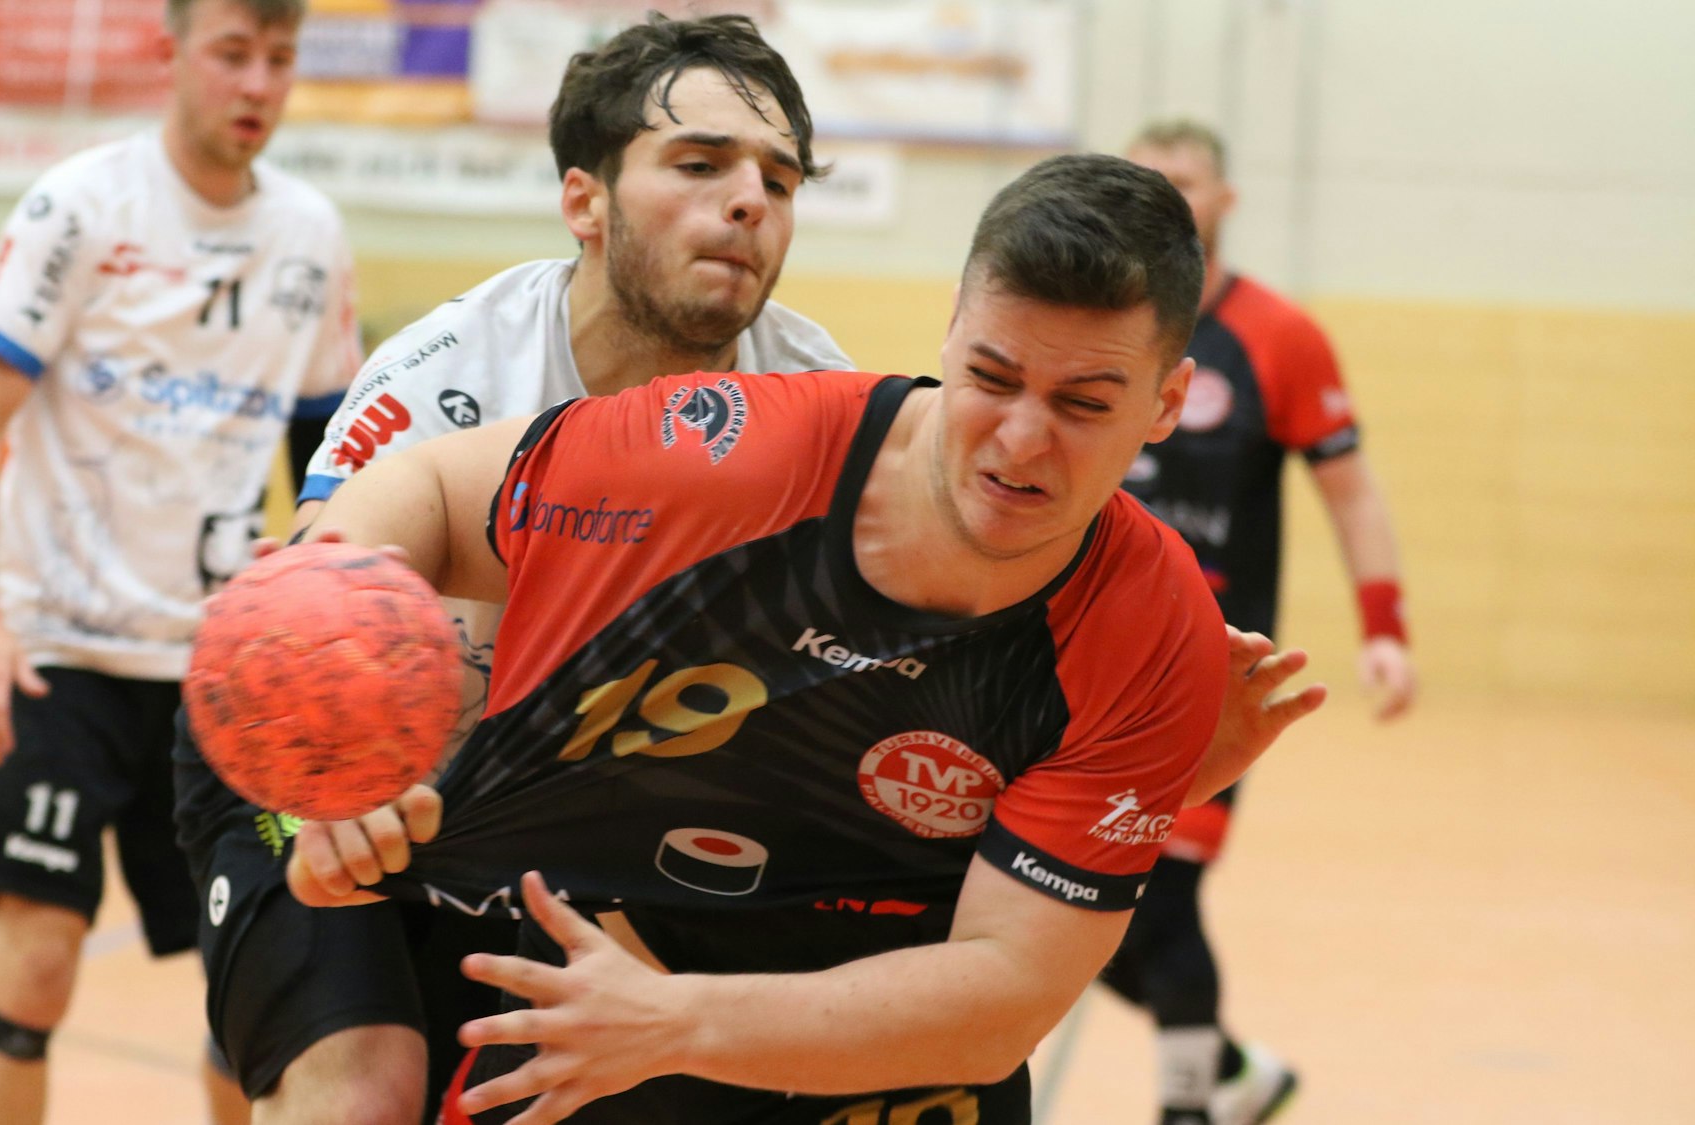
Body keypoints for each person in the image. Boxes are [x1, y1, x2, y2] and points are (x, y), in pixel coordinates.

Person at [283, 152, 1325, 1125]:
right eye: (992, 378)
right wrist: (341, 733)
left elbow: (1002, 995)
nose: (1019, 439)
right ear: (951, 332)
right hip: (605, 996)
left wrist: (679, 1021)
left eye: (1082, 404)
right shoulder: (730, 461)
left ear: (1166, 404)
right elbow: (413, 489)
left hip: (880, 1056)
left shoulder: (1150, 632)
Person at [169, 12, 851, 1124]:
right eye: (697, 164)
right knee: (367, 1095)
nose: (747, 202)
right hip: (316, 756)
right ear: (583, 201)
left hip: (551, 809)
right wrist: (330, 788)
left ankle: (260, 1026)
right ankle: (283, 1016)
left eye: (779, 180)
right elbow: (296, 620)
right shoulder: (450, 373)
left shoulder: (817, 405)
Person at [0, 0, 359, 1119]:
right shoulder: (79, 206)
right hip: (60, 658)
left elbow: (329, 459)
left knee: (254, 994)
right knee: (34, 967)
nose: (256, 82)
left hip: (227, 675)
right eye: (231, 53)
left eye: (278, 58)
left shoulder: (310, 234)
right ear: (171, 56)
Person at [1108, 118, 1418, 1125]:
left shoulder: (1277, 336)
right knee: (1055, 903)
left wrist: (1384, 627)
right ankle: (1234, 1075)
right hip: (1076, 660)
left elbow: (1351, 493)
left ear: (1222, 199)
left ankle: (1189, 1107)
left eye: (1183, 178)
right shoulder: (1100, 321)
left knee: (1166, 900)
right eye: (1144, 178)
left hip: (1210, 669)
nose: (1164, 191)